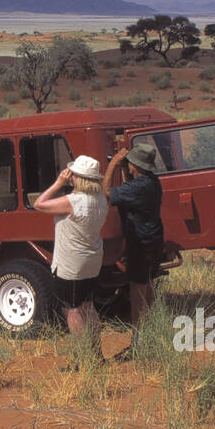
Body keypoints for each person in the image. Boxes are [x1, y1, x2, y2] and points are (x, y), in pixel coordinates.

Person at [34, 155, 109, 358]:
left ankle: (83, 357)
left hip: (71, 264)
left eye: (73, 175)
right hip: (92, 260)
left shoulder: (74, 201)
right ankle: (96, 353)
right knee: (88, 305)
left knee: (72, 309)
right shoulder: (100, 199)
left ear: (78, 177)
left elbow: (39, 204)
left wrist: (58, 183)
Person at [104, 143, 164, 356]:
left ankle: (139, 343)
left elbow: (106, 194)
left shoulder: (139, 187)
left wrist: (112, 165)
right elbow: (130, 189)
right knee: (147, 289)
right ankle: (152, 335)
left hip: (141, 243)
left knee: (137, 293)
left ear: (135, 166)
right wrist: (124, 168)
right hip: (153, 240)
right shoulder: (152, 182)